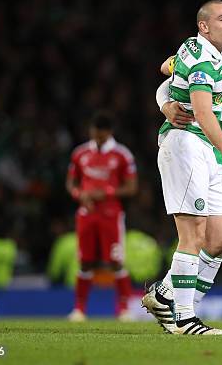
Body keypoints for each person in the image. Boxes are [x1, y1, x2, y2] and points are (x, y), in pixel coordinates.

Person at [150, 0, 222, 335]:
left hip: (218, 155)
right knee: (193, 234)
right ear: (209, 26)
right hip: (191, 143)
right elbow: (187, 95)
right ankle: (184, 317)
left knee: (220, 238)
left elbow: (170, 77)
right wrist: (166, 104)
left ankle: (165, 295)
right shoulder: (197, 51)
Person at [65, 111, 138, 322]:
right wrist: (80, 195)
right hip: (86, 214)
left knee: (116, 262)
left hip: (111, 215)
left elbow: (132, 187)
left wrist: (105, 192)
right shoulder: (80, 153)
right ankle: (79, 310)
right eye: (94, 133)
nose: (97, 138)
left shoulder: (122, 154)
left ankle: (124, 310)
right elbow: (71, 183)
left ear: (109, 132)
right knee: (85, 262)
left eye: (101, 134)